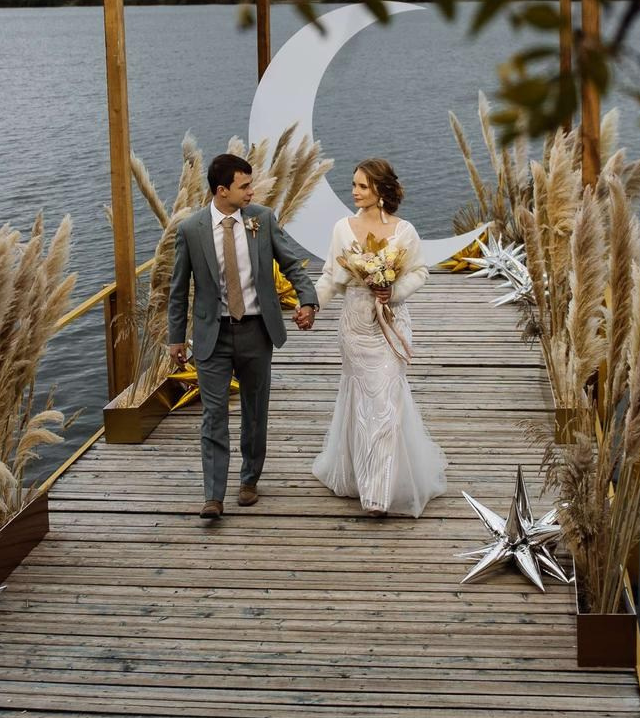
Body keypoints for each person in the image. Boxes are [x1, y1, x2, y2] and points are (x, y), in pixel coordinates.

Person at [167, 153, 321, 525]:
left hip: (256, 330)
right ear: (222, 191)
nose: (252, 191)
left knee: (255, 411)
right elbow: (177, 289)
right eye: (245, 186)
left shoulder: (262, 220)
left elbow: (290, 261)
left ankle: (249, 479)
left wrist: (309, 300)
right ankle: (213, 496)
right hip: (211, 336)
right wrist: (175, 339)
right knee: (213, 415)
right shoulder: (191, 230)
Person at [310, 158, 447, 517]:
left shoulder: (405, 232)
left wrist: (394, 291)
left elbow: (420, 271)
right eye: (353, 184)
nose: (354, 191)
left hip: (390, 323)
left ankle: (377, 493)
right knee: (362, 400)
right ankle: (359, 472)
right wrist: (310, 306)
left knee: (384, 404)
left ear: (381, 191)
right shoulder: (342, 228)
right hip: (356, 324)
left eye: (362, 186)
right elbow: (330, 277)